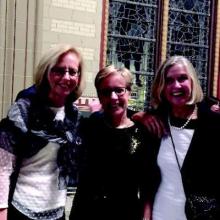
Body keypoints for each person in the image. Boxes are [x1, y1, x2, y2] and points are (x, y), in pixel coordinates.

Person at [0, 44, 85, 220]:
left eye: (72, 71)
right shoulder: (24, 110)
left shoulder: (73, 115)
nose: (66, 77)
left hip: (57, 211)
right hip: (22, 208)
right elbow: (3, 166)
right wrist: (2, 211)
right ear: (46, 72)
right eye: (59, 70)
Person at [70, 65, 159, 220]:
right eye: (106, 92)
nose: (113, 97)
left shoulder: (143, 132)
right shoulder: (90, 126)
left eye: (119, 90)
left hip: (126, 212)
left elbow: (148, 184)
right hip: (86, 212)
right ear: (99, 95)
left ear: (129, 92)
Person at [148, 55, 220, 220]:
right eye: (169, 81)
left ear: (193, 81)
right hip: (160, 215)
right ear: (162, 87)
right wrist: (138, 115)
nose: (176, 85)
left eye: (182, 78)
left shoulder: (214, 124)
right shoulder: (155, 122)